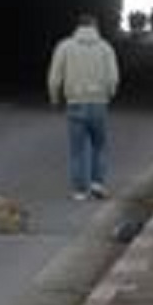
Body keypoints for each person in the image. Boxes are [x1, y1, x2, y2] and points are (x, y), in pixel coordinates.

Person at [47, 12, 120, 200]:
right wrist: (108, 94)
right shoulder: (105, 48)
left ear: (77, 27)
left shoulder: (65, 47)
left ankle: (79, 190)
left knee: (77, 150)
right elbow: (113, 77)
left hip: (75, 102)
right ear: (95, 27)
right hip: (98, 103)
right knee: (99, 146)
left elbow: (55, 77)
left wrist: (55, 98)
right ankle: (97, 183)